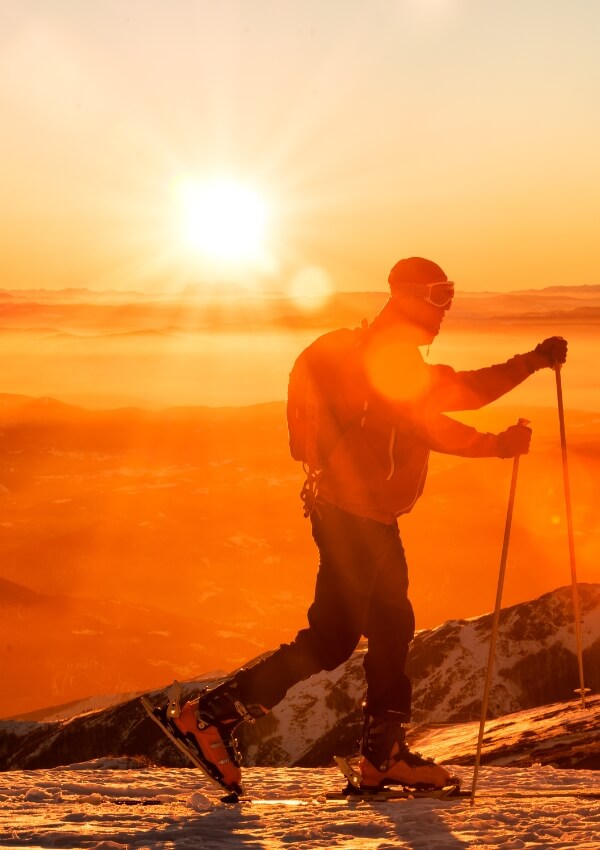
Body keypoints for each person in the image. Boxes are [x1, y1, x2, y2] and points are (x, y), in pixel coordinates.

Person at [169, 257, 567, 793]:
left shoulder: (379, 350)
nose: (446, 307)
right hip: (355, 519)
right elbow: (447, 406)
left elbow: (437, 400)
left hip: (360, 514)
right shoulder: (387, 357)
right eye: (438, 295)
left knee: (391, 626)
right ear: (408, 296)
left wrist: (527, 370)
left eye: (450, 294)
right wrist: (507, 421)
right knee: (332, 639)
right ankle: (212, 715)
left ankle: (382, 755)